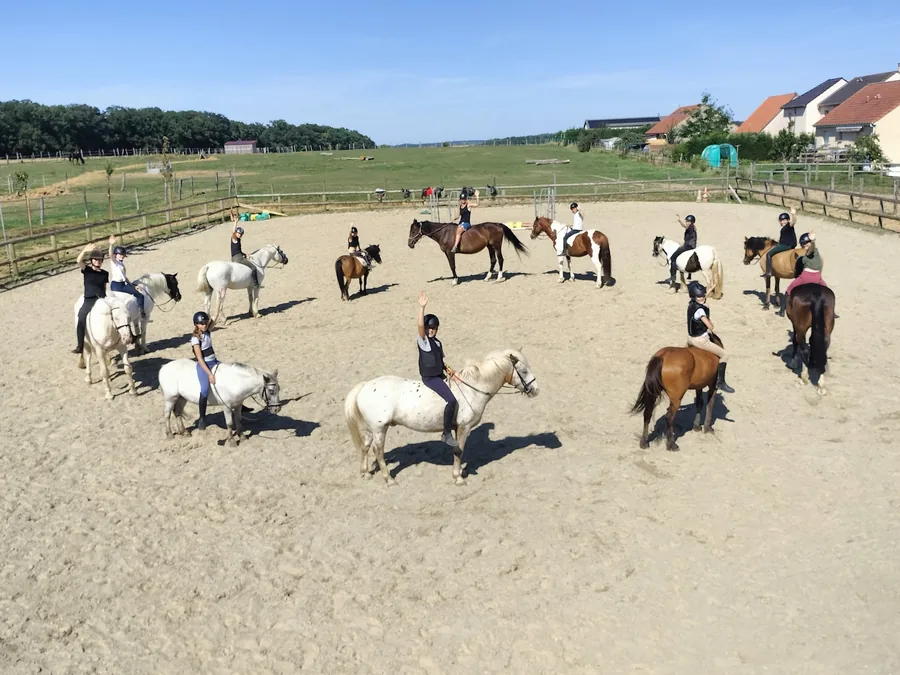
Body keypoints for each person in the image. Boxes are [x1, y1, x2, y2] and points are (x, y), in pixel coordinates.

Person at [416, 291, 460, 447]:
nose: (431, 330)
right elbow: (420, 326)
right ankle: (446, 433)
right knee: (451, 400)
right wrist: (422, 308)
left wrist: (449, 369)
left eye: (433, 328)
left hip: (439, 375)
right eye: (428, 328)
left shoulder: (438, 343)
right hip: (430, 378)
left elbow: (440, 361)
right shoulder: (424, 341)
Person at [686, 281, 735, 394]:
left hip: (690, 338)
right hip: (701, 340)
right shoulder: (700, 311)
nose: (702, 298)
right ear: (694, 297)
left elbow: (702, 297)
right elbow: (710, 327)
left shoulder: (691, 304)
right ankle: (720, 382)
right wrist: (709, 321)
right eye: (699, 296)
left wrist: (711, 288)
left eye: (703, 295)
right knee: (725, 355)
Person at [73, 243, 109, 354]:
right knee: (81, 317)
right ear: (92, 260)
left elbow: (104, 287)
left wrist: (106, 299)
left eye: (99, 260)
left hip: (102, 299)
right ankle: (80, 346)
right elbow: (78, 261)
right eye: (95, 259)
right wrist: (84, 251)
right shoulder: (87, 270)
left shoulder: (105, 273)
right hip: (89, 299)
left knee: (117, 312)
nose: (98, 261)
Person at [191, 311, 218, 430]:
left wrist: (219, 302)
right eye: (202, 324)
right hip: (204, 365)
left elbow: (215, 317)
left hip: (214, 361)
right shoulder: (195, 339)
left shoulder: (207, 331)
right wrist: (209, 374)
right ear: (196, 324)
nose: (205, 325)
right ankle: (202, 417)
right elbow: (200, 359)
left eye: (206, 323)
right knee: (204, 390)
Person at [107, 235, 146, 319]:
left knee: (138, 294)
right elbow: (110, 254)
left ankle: (139, 311)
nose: (122, 256)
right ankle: (142, 312)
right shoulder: (114, 262)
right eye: (120, 254)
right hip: (117, 285)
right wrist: (111, 245)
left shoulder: (121, 264)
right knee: (140, 296)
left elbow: (125, 277)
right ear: (116, 255)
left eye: (123, 255)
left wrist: (133, 286)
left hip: (122, 284)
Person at [786, 232, 827, 297]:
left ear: (810, 243)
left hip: (805, 277)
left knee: (789, 289)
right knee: (826, 290)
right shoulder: (815, 254)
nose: (804, 245)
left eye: (806, 243)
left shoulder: (811, 251)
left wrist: (813, 241)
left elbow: (812, 248)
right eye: (803, 244)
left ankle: (788, 302)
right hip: (818, 278)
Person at [763, 208, 798, 278]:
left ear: (788, 220)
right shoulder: (784, 228)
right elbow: (783, 237)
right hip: (786, 244)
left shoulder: (788, 226)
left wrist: (793, 214)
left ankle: (768, 272)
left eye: (784, 220)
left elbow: (793, 222)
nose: (783, 222)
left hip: (786, 245)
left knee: (768, 254)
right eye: (781, 220)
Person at [669, 214, 697, 286]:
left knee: (673, 258)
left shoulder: (690, 227)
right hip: (691, 245)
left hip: (688, 246)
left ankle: (673, 277)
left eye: (688, 221)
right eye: (686, 221)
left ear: (691, 222)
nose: (686, 222)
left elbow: (685, 226)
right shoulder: (692, 227)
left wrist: (679, 221)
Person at [231, 222, 260, 288]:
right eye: (238, 233)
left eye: (241, 234)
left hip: (236, 257)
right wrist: (235, 222)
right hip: (238, 258)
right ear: (236, 233)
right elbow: (233, 232)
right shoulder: (234, 239)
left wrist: (246, 255)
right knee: (253, 267)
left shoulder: (238, 240)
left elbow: (239, 251)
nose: (239, 235)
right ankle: (256, 284)